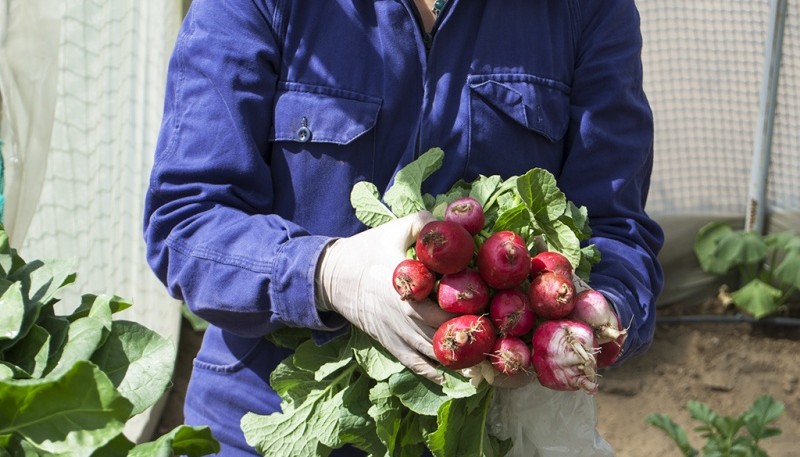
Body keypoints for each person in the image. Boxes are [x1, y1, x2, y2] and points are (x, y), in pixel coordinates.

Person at [143, 0, 664, 455]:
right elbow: (185, 222)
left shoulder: (588, 8)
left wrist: (590, 317)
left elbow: (617, 231)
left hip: (483, 430)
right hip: (268, 416)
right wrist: (326, 273)